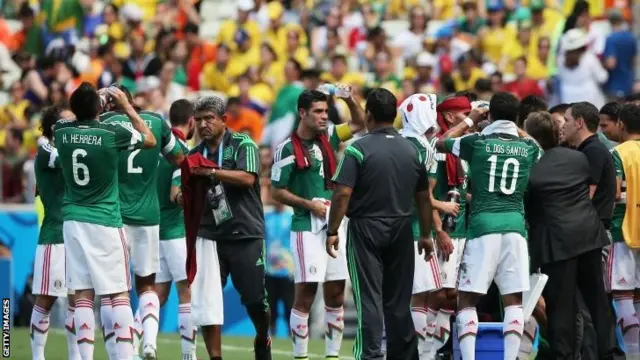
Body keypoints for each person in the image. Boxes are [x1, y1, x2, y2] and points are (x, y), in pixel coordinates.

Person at [326, 88, 435, 360]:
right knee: (398, 300)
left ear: (370, 115)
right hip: (401, 227)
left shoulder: (358, 149)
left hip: (366, 228)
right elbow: (424, 197)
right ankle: (404, 356)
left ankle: (371, 355)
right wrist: (424, 234)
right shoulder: (411, 150)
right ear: (395, 115)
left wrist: (331, 230)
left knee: (369, 297)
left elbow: (342, 193)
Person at [435, 92, 542, 360]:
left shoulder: (477, 142)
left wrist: (471, 120)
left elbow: (440, 143)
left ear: (489, 115)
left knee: (467, 299)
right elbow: (539, 148)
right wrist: (513, 124)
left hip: (483, 227)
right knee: (514, 300)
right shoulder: (528, 148)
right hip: (515, 228)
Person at [54, 83, 156, 359]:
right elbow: (149, 140)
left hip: (73, 221)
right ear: (100, 107)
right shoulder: (112, 133)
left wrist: (90, 101)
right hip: (105, 221)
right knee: (118, 293)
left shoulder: (61, 131)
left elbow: (70, 117)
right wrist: (125, 106)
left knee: (83, 294)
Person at [270, 87, 366, 360]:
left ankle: (332, 355)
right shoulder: (286, 149)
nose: (325, 117)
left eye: (326, 111)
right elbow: (277, 190)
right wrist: (308, 203)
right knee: (306, 292)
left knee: (335, 292)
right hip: (306, 227)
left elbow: (359, 123)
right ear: (302, 113)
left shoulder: (331, 136)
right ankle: (300, 355)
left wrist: (347, 98)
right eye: (318, 112)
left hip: (336, 224)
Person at [100, 86, 185, 360]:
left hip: (115, 216)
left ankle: (118, 352)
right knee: (147, 286)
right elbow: (181, 158)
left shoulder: (104, 124)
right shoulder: (157, 123)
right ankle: (149, 343)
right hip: (150, 217)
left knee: (113, 290)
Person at [523, 111, 614, 360]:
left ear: (529, 136)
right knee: (597, 299)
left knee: (561, 306)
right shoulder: (577, 158)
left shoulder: (532, 169)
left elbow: (528, 208)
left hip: (556, 243)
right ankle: (609, 352)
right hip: (588, 235)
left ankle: (562, 354)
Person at [188, 95, 271, 360]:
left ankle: (262, 337)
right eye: (198, 119)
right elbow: (182, 189)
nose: (203, 125)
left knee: (255, 299)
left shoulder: (243, 144)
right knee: (208, 302)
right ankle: (215, 357)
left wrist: (210, 173)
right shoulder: (194, 155)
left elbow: (247, 178)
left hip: (244, 232)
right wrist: (179, 195)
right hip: (209, 236)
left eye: (209, 118)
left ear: (223, 120)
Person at [30, 105, 79, 360]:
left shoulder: (72, 147)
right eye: (69, 122)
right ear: (54, 128)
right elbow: (69, 161)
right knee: (46, 300)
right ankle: (38, 356)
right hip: (55, 237)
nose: (76, 125)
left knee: (76, 301)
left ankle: (76, 356)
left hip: (77, 235)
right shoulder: (47, 150)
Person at [155, 99, 197, 360]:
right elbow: (176, 195)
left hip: (151, 231)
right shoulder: (182, 151)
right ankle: (188, 355)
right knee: (186, 292)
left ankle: (136, 348)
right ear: (191, 121)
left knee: (155, 297)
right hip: (175, 231)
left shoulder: (154, 149)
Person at [604, 103, 640, 358]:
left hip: (623, 231)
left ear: (622, 125)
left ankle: (633, 354)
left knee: (623, 294)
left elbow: (614, 192)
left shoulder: (618, 152)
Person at [563, 102, 616, 236]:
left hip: (592, 233)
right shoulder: (585, 149)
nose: (563, 126)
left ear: (579, 122)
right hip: (587, 230)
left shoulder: (593, 150)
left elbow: (587, 194)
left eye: (566, 120)